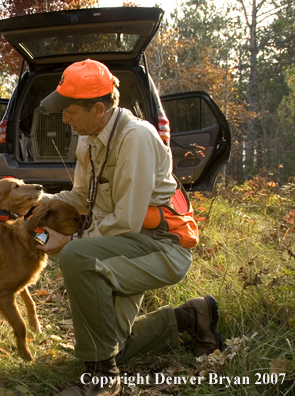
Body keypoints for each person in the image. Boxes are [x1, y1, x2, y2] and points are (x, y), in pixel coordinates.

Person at [35, 59, 223, 396]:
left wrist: (71, 239)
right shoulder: (88, 140)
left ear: (98, 109)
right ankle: (191, 317)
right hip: (126, 245)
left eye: (69, 110)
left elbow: (125, 221)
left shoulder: (135, 137)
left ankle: (103, 380)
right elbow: (81, 196)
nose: (64, 118)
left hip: (161, 247)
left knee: (78, 256)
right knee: (111, 346)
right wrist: (38, 201)